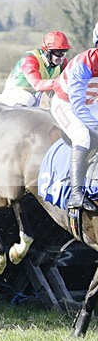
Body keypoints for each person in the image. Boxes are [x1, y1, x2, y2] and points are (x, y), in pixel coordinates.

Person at [51, 31, 98, 213]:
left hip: (90, 102)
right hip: (66, 103)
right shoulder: (85, 63)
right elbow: (78, 107)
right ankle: (76, 194)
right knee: (82, 136)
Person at [0, 31, 70, 107]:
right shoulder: (30, 59)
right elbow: (38, 85)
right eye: (59, 53)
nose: (62, 57)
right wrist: (61, 82)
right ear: (47, 51)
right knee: (28, 98)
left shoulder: (62, 62)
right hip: (15, 94)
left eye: (64, 53)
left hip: (36, 95)